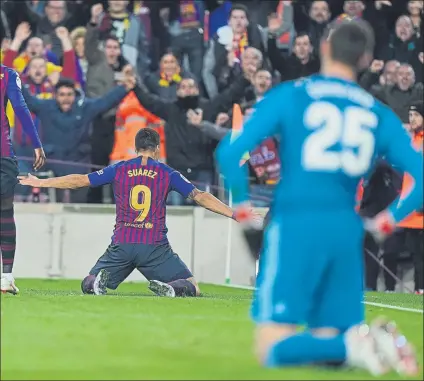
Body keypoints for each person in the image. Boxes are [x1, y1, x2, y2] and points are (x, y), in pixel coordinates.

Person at [217, 20, 422, 375]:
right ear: (366, 59)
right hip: (347, 229)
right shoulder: (377, 113)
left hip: (296, 223)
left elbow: (230, 151)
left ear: (324, 49)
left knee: (272, 347)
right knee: (330, 351)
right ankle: (355, 343)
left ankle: (359, 342)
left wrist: (240, 204)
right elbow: (419, 173)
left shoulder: (293, 94)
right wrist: (391, 218)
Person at [18, 128, 253, 297]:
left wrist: (41, 182)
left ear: (136, 147)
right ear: (158, 149)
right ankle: (173, 288)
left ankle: (95, 284)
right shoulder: (167, 172)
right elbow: (200, 196)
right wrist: (235, 214)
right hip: (154, 247)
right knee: (193, 286)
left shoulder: (119, 168)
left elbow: (79, 180)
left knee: (88, 282)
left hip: (122, 245)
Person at [0, 64, 46, 294]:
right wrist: (36, 143)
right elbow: (19, 107)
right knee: (5, 212)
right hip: (2, 154)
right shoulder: (7, 74)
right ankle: (6, 277)